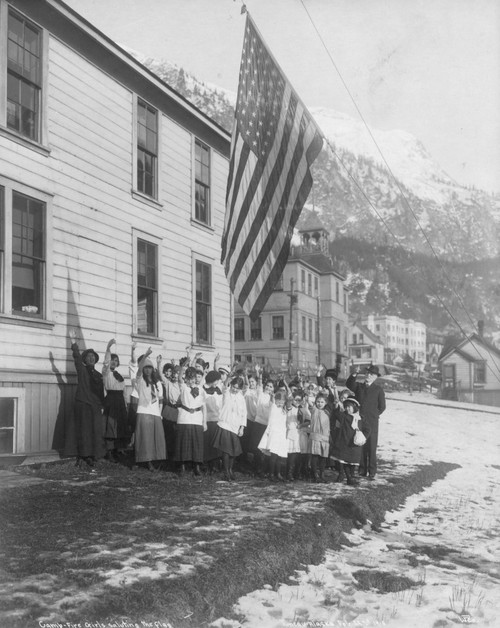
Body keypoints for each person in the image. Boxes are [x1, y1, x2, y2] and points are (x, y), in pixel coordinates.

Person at [69, 329, 105, 470]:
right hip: (83, 403)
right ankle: (83, 455)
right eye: (88, 356)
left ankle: (92, 455)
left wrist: (101, 405)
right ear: (85, 359)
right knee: (83, 431)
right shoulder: (82, 370)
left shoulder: (98, 374)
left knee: (94, 431)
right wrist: (73, 343)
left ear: (96, 360)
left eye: (93, 357)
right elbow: (77, 358)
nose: (91, 358)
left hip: (95, 406)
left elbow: (101, 392)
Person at [346, 364, 386, 479]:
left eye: (371, 374)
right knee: (361, 444)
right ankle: (362, 470)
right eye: (367, 373)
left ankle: (372, 471)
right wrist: (354, 374)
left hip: (372, 422)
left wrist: (373, 415)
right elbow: (349, 384)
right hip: (360, 421)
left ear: (375, 377)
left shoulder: (378, 390)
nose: (369, 375)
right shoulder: (359, 386)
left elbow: (382, 407)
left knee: (372, 446)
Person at [133, 348, 166, 471]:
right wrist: (146, 355)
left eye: (150, 367)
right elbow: (138, 371)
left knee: (155, 438)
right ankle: (146, 461)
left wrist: (160, 413)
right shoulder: (140, 381)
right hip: (144, 411)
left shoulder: (157, 383)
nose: (148, 370)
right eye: (145, 367)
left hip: (155, 412)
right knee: (145, 438)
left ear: (153, 369)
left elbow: (160, 400)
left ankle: (155, 459)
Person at [212, 376, 247, 481]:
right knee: (226, 451)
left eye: (237, 388)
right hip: (225, 424)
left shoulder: (241, 398)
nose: (235, 389)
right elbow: (225, 385)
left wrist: (242, 428)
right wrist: (229, 376)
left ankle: (231, 469)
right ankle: (226, 471)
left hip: (235, 427)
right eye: (234, 387)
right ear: (231, 385)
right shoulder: (227, 393)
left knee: (234, 451)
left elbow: (244, 414)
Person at [330, 397, 370, 486]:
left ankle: (351, 476)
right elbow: (336, 413)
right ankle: (349, 478)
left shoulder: (361, 418)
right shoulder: (344, 416)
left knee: (352, 462)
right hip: (345, 443)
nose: (347, 408)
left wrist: (363, 437)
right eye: (346, 407)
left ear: (354, 407)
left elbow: (368, 429)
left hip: (355, 445)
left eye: (349, 407)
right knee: (345, 461)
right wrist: (336, 405)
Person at [175, 364, 207, 476]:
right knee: (183, 442)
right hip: (184, 417)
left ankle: (196, 467)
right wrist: (183, 368)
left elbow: (204, 406)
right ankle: (182, 466)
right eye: (189, 378)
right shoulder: (183, 387)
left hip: (197, 418)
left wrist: (204, 422)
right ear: (186, 379)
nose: (192, 381)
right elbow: (179, 379)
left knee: (197, 443)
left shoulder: (201, 390)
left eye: (194, 378)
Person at [102, 338, 129, 462]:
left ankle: (119, 450)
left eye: (116, 360)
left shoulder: (120, 376)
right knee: (110, 425)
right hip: (111, 400)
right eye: (113, 359)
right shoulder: (106, 373)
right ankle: (109, 452)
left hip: (120, 401)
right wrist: (108, 348)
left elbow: (124, 391)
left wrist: (126, 404)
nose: (114, 362)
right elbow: (106, 363)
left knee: (120, 425)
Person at [258, 390, 288, 481]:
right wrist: (272, 397)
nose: (280, 402)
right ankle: (271, 474)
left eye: (282, 400)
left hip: (281, 434)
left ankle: (277, 473)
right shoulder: (273, 407)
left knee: (279, 456)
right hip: (273, 434)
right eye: (278, 400)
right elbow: (272, 402)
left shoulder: (284, 411)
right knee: (273, 456)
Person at [203, 370, 224, 473]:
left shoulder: (218, 390)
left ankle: (214, 465)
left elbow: (220, 404)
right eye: (216, 380)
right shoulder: (203, 389)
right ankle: (207, 465)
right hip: (206, 420)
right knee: (207, 443)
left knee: (215, 443)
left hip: (216, 420)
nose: (217, 382)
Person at [308, 391, 331, 483]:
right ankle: (315, 475)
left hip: (325, 438)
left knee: (323, 457)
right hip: (315, 437)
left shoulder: (327, 412)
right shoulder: (314, 410)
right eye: (318, 401)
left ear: (325, 403)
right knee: (315, 456)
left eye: (322, 402)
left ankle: (322, 474)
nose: (320, 404)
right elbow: (309, 402)